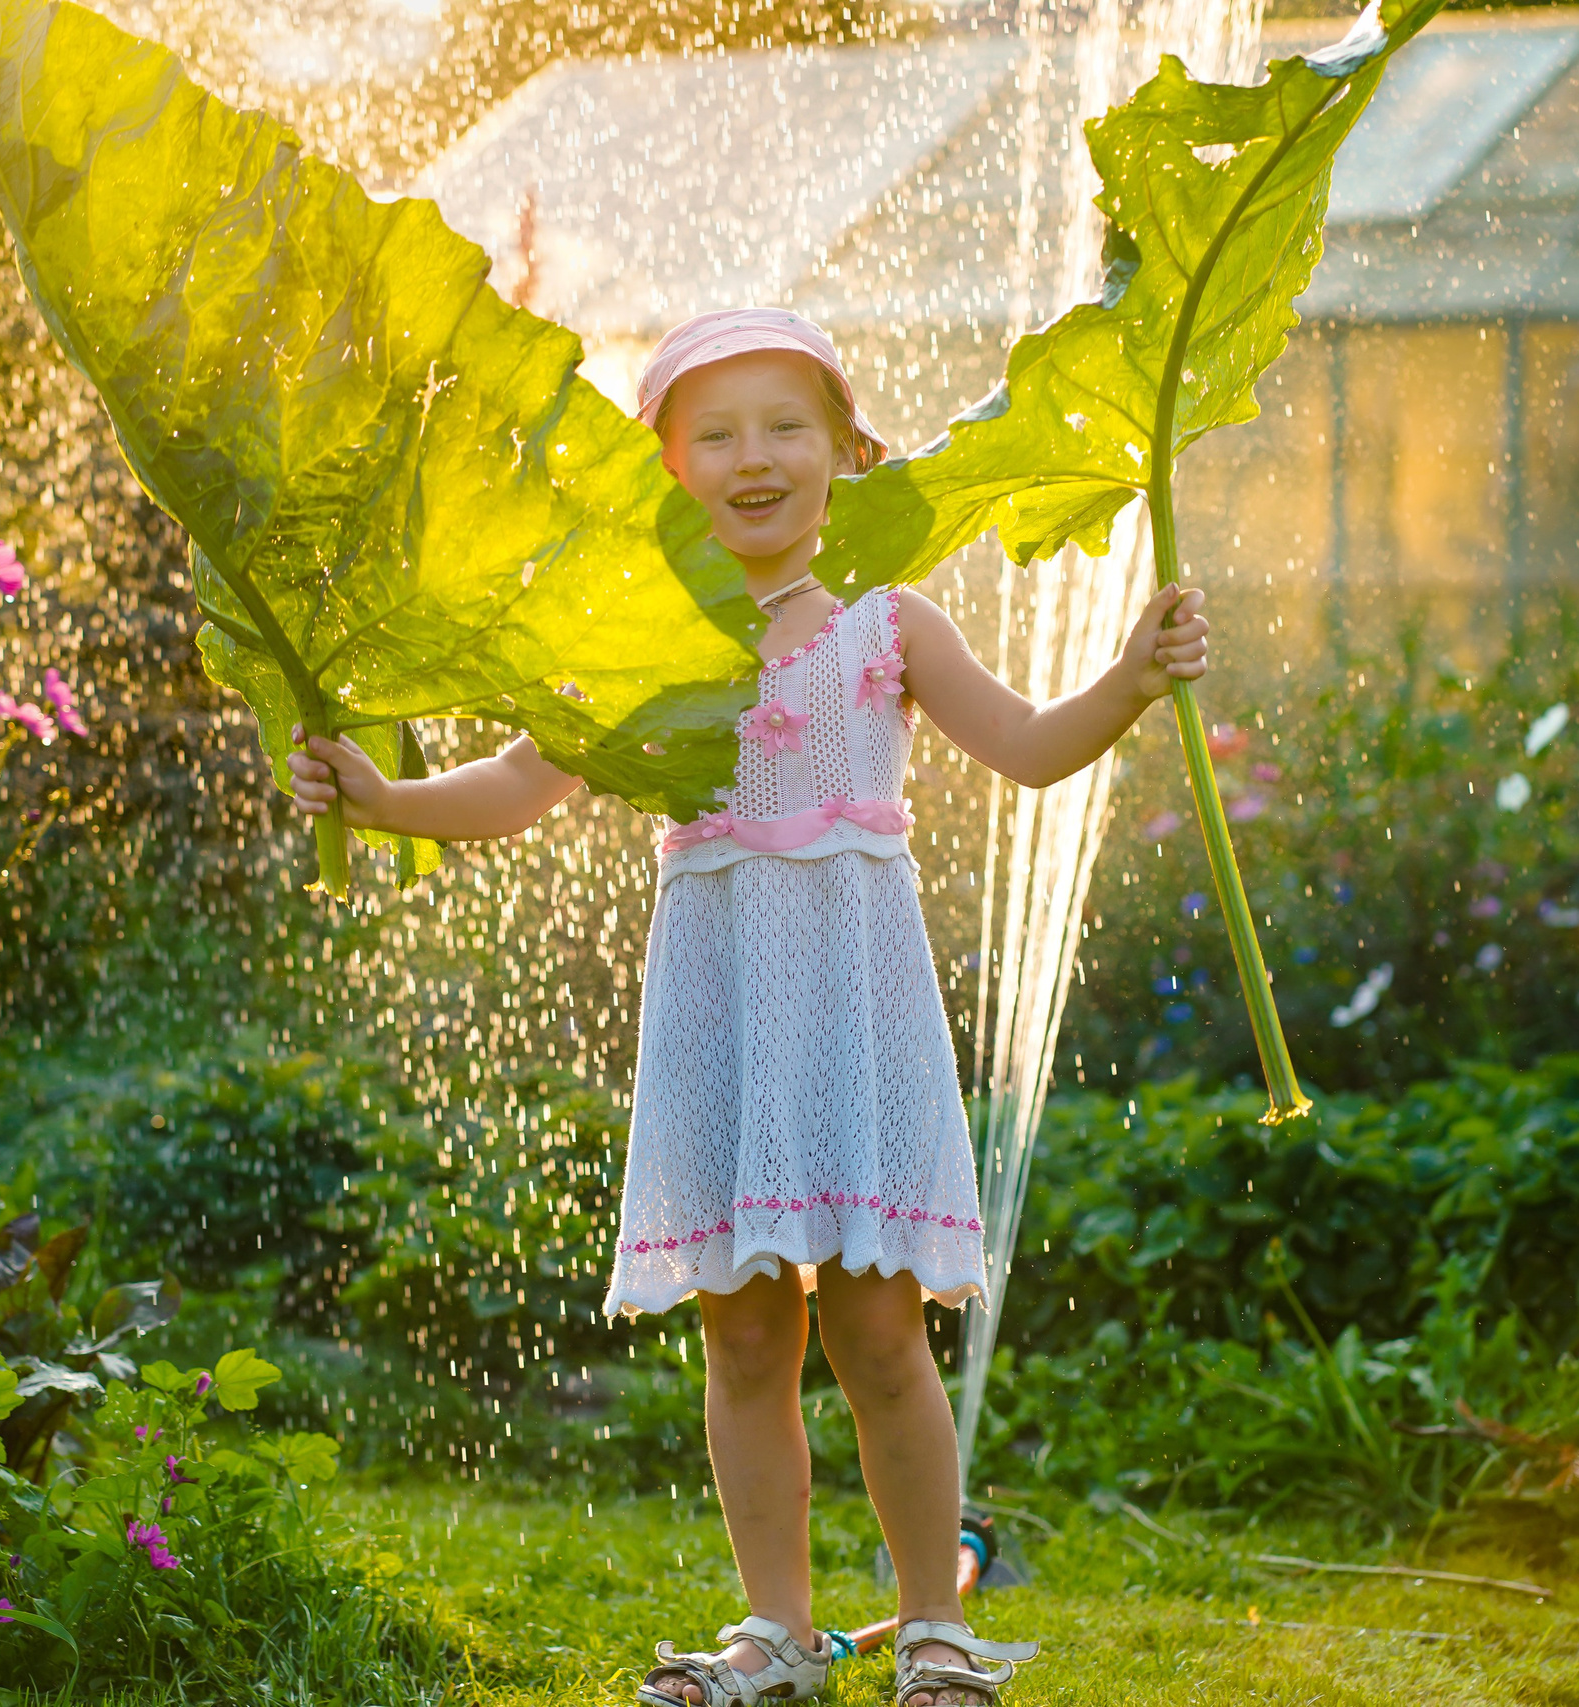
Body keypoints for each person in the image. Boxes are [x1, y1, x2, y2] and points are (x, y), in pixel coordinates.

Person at [285, 308, 1210, 1707]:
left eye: (785, 426)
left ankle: (931, 1629)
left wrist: (1130, 682)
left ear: (847, 448)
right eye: (714, 434)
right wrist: (385, 794)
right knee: (744, 1331)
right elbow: (523, 785)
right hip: (723, 1007)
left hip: (853, 1009)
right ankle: (776, 1634)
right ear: (667, 468)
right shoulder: (654, 648)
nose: (753, 456)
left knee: (880, 1327)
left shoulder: (892, 625)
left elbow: (1027, 749)